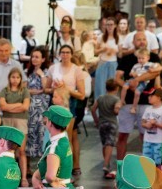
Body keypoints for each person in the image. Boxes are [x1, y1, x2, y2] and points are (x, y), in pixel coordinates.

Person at [115, 33, 162, 162]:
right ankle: (120, 166)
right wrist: (128, 85)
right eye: (138, 39)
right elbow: (117, 78)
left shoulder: (153, 57)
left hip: (147, 101)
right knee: (122, 134)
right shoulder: (127, 58)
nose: (141, 42)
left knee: (146, 136)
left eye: (143, 39)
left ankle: (147, 166)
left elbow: (156, 72)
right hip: (128, 102)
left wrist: (137, 80)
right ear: (133, 41)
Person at [49, 45, 87, 175]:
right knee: (56, 136)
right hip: (56, 101)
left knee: (68, 137)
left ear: (71, 54)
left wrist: (66, 88)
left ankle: (70, 166)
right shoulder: (53, 68)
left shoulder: (76, 70)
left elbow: (82, 94)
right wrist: (54, 88)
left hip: (70, 103)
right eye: (63, 52)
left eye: (67, 52)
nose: (65, 55)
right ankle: (62, 164)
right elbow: (47, 88)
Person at [0, 67, 31, 185]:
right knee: (7, 150)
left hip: (21, 121)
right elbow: (3, 106)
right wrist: (18, 104)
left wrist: (10, 106)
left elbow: (25, 107)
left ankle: (23, 178)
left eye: (18, 77)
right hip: (7, 121)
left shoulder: (24, 91)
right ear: (9, 78)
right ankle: (8, 177)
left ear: (21, 79)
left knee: (21, 150)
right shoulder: (4, 90)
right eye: (13, 77)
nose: (15, 80)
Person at [92, 79, 122, 178]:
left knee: (104, 144)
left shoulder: (100, 98)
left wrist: (96, 120)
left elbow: (93, 109)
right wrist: (117, 109)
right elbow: (116, 110)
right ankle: (105, 165)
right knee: (110, 144)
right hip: (112, 123)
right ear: (117, 89)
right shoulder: (116, 99)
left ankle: (107, 165)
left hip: (101, 123)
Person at [26, 49, 51, 160]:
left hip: (42, 108)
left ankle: (42, 161)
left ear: (43, 59)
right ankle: (30, 164)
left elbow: (46, 88)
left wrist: (41, 75)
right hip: (30, 107)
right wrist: (35, 91)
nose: (34, 59)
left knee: (41, 132)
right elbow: (24, 89)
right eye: (33, 57)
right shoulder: (28, 72)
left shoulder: (46, 72)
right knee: (30, 133)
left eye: (37, 57)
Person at [120, 49, 159, 114]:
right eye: (139, 58)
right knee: (124, 87)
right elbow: (130, 73)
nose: (140, 60)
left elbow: (158, 67)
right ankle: (122, 101)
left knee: (137, 93)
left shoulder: (150, 64)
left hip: (143, 82)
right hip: (134, 79)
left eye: (142, 58)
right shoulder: (136, 65)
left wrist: (153, 69)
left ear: (148, 58)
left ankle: (134, 107)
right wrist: (132, 73)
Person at [140, 88, 162, 166]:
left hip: (159, 142)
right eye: (149, 95)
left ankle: (158, 177)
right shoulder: (148, 109)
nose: (149, 97)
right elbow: (142, 122)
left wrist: (156, 124)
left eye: (151, 96)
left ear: (159, 98)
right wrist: (146, 125)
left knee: (158, 162)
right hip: (147, 140)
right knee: (146, 162)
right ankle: (148, 177)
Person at [94, 18, 119, 99]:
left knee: (112, 87)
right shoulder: (101, 37)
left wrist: (115, 51)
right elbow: (95, 52)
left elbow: (121, 54)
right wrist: (103, 49)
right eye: (108, 25)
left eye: (111, 24)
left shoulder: (118, 37)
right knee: (100, 87)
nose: (109, 26)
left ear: (115, 26)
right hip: (103, 62)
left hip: (113, 63)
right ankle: (98, 108)